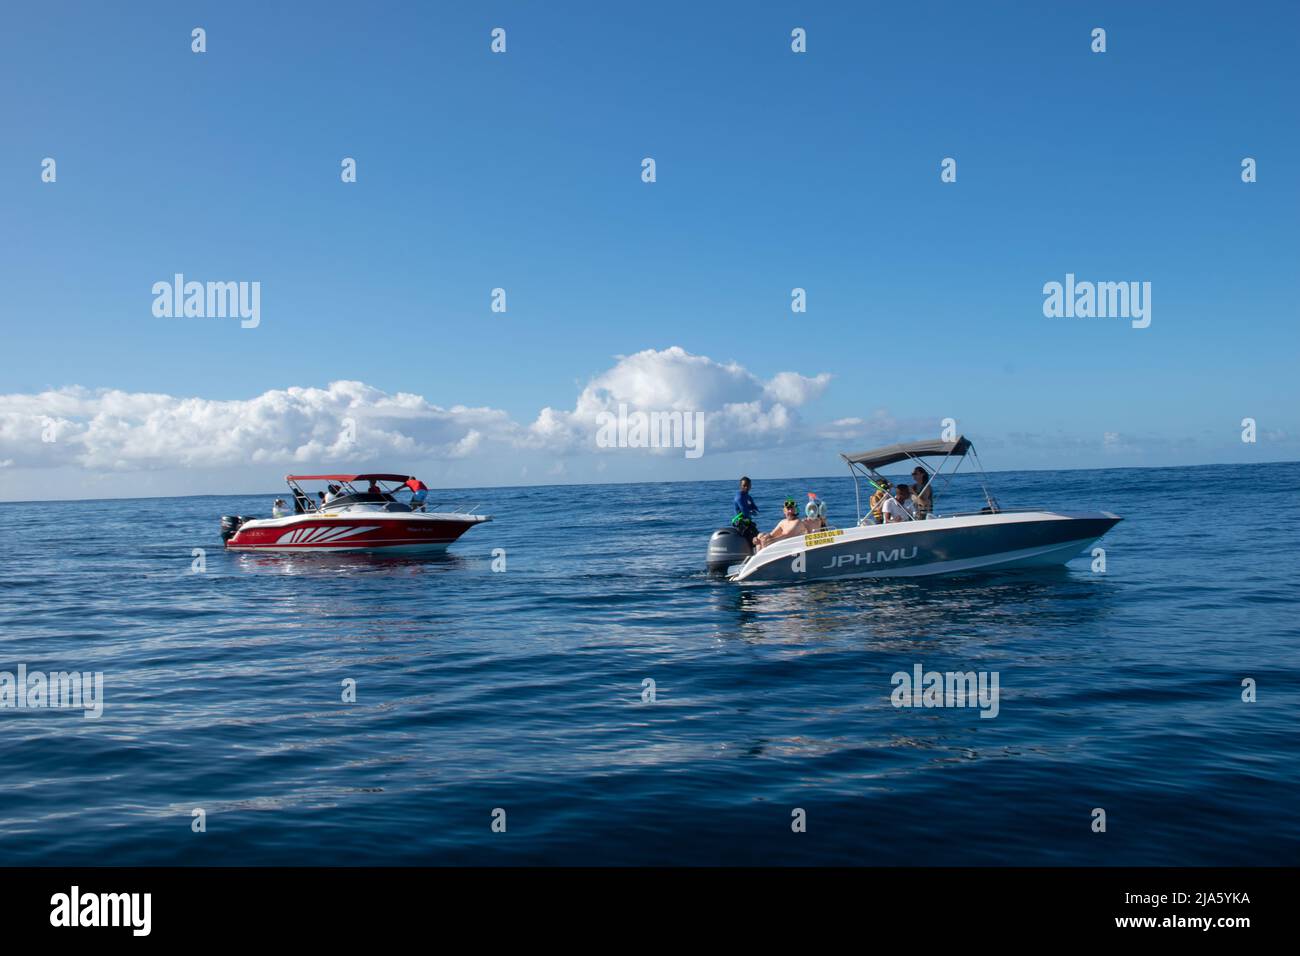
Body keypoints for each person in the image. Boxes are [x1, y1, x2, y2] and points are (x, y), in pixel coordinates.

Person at [731, 476, 760, 544]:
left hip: (748, 523)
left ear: (750, 486)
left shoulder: (748, 497)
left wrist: (752, 511)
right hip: (741, 524)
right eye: (744, 485)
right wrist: (751, 511)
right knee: (756, 540)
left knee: (760, 536)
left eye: (748, 485)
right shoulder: (739, 497)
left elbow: (756, 510)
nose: (746, 487)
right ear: (740, 486)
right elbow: (745, 512)